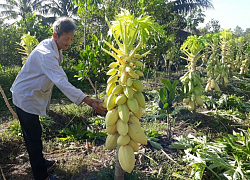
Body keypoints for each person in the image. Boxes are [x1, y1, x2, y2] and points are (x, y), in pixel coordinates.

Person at [10, 17, 106, 180]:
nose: (69, 42)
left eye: (71, 39)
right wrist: (88, 101)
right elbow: (61, 81)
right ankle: (41, 176)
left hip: (30, 94)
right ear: (56, 36)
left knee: (36, 133)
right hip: (25, 97)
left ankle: (41, 162)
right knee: (33, 138)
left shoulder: (53, 47)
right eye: (66, 38)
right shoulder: (46, 53)